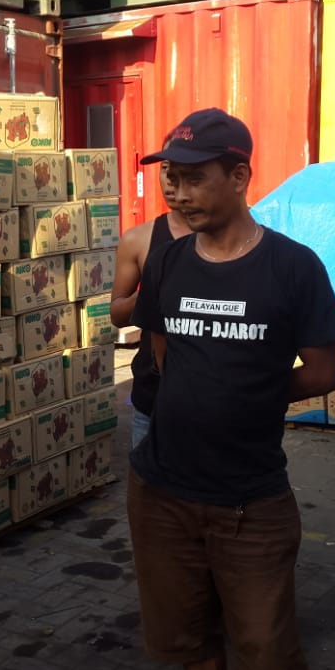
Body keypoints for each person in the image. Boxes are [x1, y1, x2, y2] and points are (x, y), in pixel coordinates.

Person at [128, 107, 335, 670]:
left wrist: (250, 394)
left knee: (267, 652)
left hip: (250, 502)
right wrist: (201, 394)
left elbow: (324, 372)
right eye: (172, 177)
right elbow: (163, 350)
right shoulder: (168, 259)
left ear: (240, 176)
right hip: (160, 492)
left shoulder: (293, 266)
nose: (178, 193)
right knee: (188, 636)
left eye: (195, 178)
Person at [110, 132, 191, 448]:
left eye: (182, 170)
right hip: (152, 397)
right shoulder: (139, 240)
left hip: (215, 400)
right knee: (146, 478)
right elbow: (117, 315)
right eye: (165, 169)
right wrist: (153, 290)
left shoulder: (232, 242)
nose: (170, 180)